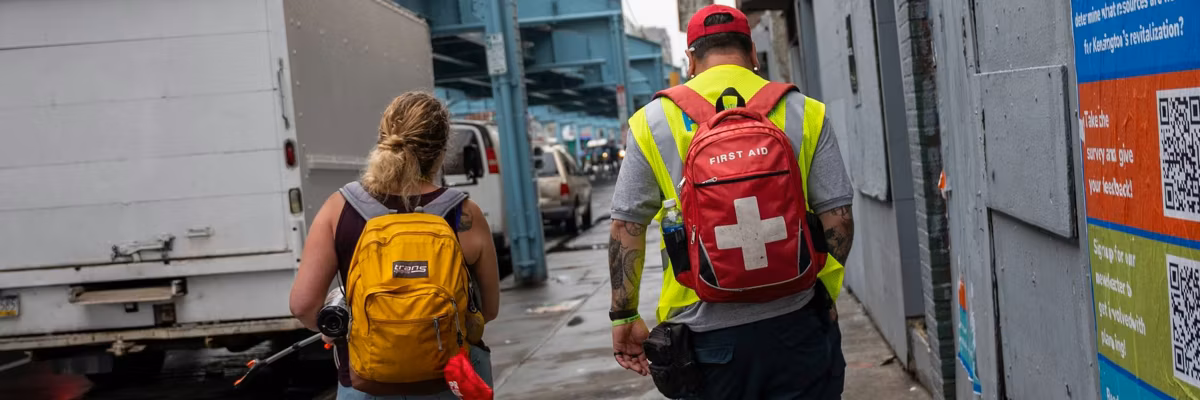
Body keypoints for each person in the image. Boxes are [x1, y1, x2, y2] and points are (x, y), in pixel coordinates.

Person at [607, 4, 854, 399]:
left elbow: (626, 227)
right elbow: (838, 218)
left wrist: (624, 314)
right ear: (753, 53)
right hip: (797, 324)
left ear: (690, 60)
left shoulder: (651, 122)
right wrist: (823, 293)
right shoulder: (805, 111)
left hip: (702, 340)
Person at [289, 92, 500, 399]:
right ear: (442, 150)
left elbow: (303, 305)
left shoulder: (339, 208)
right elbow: (489, 310)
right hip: (450, 382)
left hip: (365, 383)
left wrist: (340, 332)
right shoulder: (465, 213)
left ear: (383, 140)